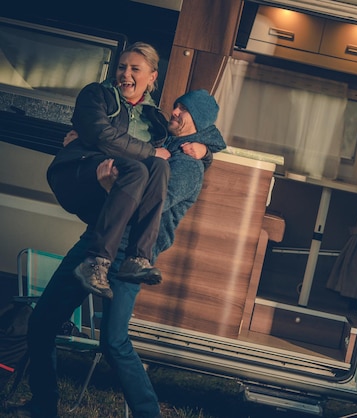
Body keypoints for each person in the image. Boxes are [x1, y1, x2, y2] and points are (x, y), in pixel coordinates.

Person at [16, 47, 225, 418]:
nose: (173, 112)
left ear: (198, 121)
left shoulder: (186, 166)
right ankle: (45, 407)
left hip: (125, 254)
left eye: (182, 110)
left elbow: (148, 201)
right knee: (65, 328)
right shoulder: (169, 145)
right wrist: (83, 143)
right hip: (106, 245)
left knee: (100, 339)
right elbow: (125, 139)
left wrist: (204, 152)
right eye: (175, 106)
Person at [47, 41, 175, 299]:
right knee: (141, 169)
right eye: (121, 67)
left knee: (159, 167)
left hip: (114, 191)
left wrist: (205, 151)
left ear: (152, 76)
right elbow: (102, 135)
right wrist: (149, 152)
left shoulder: (155, 118)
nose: (125, 74)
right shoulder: (97, 94)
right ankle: (95, 263)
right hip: (79, 171)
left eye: (134, 69)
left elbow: (180, 150)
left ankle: (137, 259)